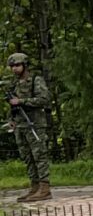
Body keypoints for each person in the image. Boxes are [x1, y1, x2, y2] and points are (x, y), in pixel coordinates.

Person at [6, 51, 51, 203]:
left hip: (35, 124)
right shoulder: (14, 83)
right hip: (20, 125)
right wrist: (11, 119)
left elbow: (43, 99)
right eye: (12, 66)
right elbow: (12, 105)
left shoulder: (35, 80)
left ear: (24, 65)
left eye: (17, 65)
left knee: (39, 155)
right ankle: (35, 186)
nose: (14, 69)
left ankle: (44, 188)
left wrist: (22, 101)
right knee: (28, 156)